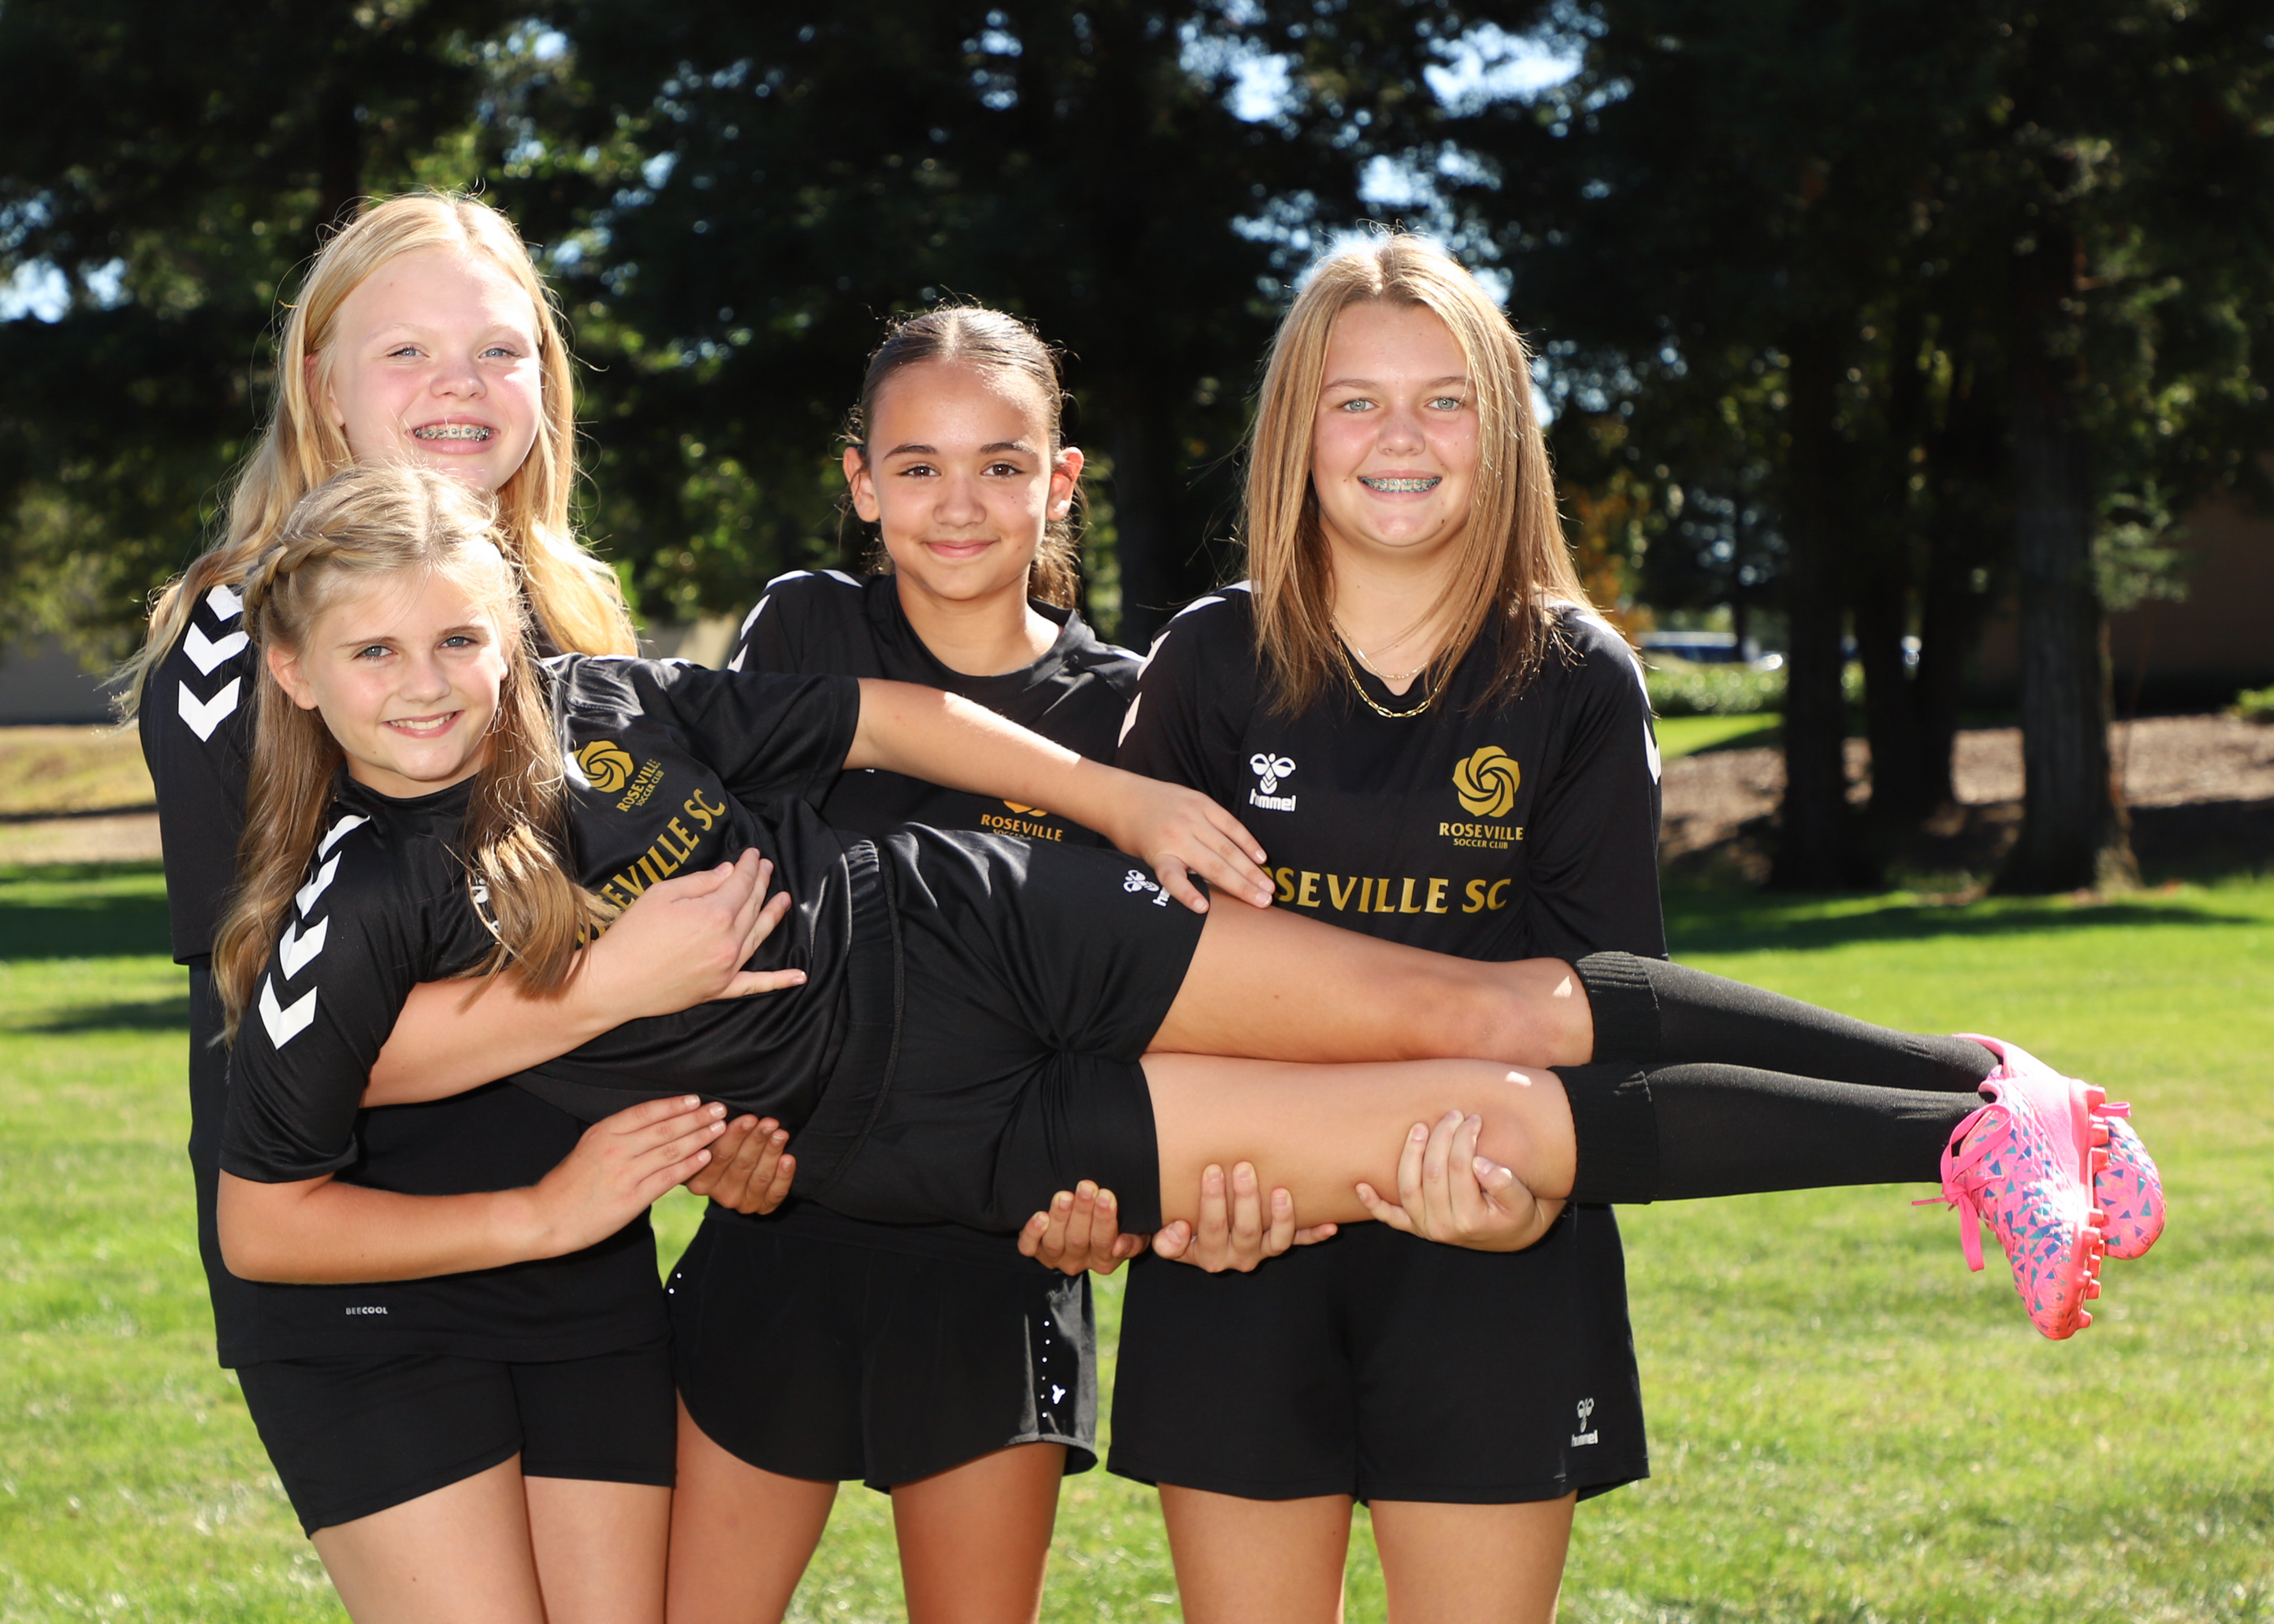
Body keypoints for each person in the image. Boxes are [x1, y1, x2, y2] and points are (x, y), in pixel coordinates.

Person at [215, 461, 2143, 1350]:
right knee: (1484, 1127)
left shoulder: (604, 699)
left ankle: (1980, 1088)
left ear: (513, 625)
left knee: (1487, 1004)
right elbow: (268, 1212)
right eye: (372, 650)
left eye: (461, 635)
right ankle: (1950, 1140)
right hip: (936, 1126)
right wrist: (552, 1188)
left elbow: (885, 715)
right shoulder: (350, 905)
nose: (429, 682)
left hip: (985, 921)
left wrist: (1119, 794)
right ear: (291, 673)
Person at [1105, 232, 2164, 1622]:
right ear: (1296, 431)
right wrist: (1193, 1203)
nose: (1400, 438)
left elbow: (1606, 1005)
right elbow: (1140, 982)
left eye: (1444, 400)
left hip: (1494, 1242)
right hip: (1245, 1251)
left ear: (1503, 429)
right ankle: (1976, 1102)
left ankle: (1989, 1113)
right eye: (1355, 401)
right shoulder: (1206, 661)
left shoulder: (1573, 674)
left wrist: (1522, 1201)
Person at [119, 192, 787, 1624]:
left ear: (546, 379)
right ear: (322, 385)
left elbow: (635, 937)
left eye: (498, 349)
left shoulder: (559, 621)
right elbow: (290, 1048)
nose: (459, 386)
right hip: (357, 1258)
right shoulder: (246, 634)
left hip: (587, 1247)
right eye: (406, 351)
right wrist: (613, 994)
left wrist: (719, 1114)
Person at [667, 306, 1152, 1624]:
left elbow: (1152, 997)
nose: (960, 504)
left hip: (995, 1258)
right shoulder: (806, 632)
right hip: (781, 1227)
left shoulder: (1125, 711)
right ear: (863, 482)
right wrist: (711, 1134)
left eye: (1003, 465)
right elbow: (712, 907)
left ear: (1061, 481)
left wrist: (1117, 1193)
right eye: (919, 466)